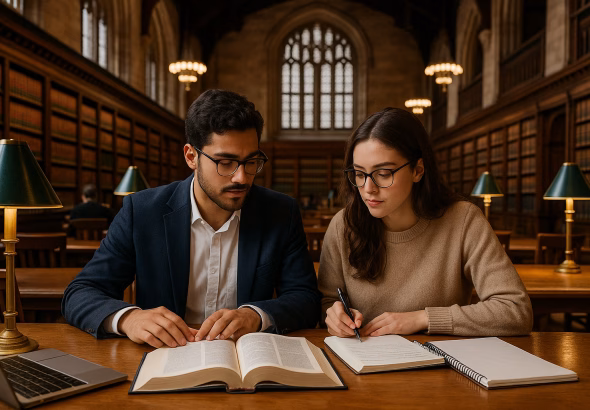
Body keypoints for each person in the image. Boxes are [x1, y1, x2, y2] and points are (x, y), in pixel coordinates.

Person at [63, 90, 321, 347]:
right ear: (191, 156)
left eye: (251, 161)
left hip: (247, 359)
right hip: (163, 358)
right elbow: (80, 293)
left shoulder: (280, 212)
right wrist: (130, 319)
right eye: (225, 162)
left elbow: (306, 299)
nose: (241, 177)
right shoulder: (141, 211)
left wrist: (255, 315)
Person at [318, 108, 532, 338]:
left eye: (383, 173)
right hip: (360, 365)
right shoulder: (343, 225)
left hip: (441, 366)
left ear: (418, 170)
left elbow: (515, 310)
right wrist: (332, 314)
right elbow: (327, 301)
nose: (368, 188)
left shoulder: (463, 221)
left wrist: (423, 318)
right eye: (359, 174)